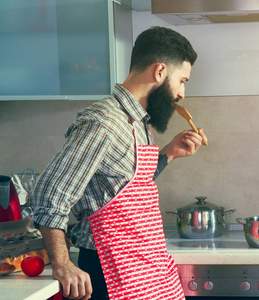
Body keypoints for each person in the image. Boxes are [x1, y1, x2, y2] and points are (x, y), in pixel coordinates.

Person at [30, 26, 207, 300]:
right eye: (181, 80)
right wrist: (63, 265)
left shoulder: (138, 122)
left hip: (145, 266)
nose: (182, 93)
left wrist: (170, 153)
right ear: (160, 72)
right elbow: (48, 195)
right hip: (111, 270)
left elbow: (127, 189)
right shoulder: (104, 121)